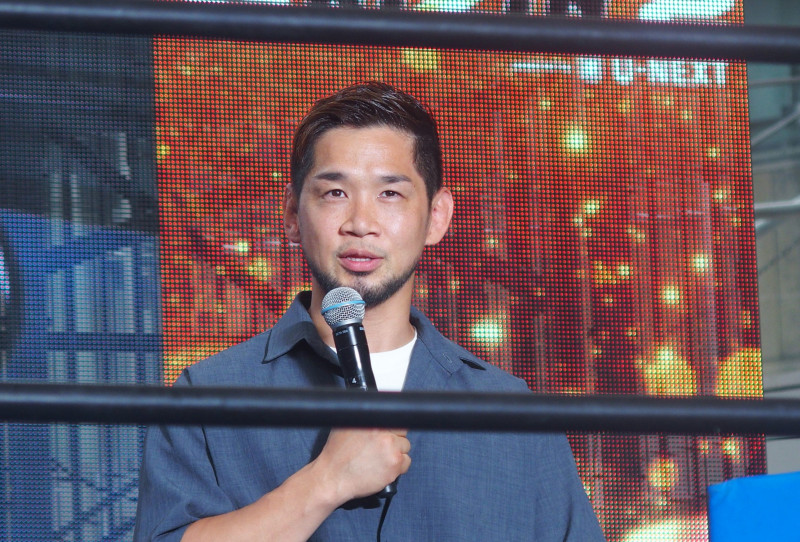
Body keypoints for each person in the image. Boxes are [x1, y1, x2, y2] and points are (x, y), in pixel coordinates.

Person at [134, 82, 605, 541]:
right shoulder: (207, 398)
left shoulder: (512, 414)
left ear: (436, 217)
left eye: (390, 194)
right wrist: (324, 482)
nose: (361, 223)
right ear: (293, 215)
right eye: (335, 193)